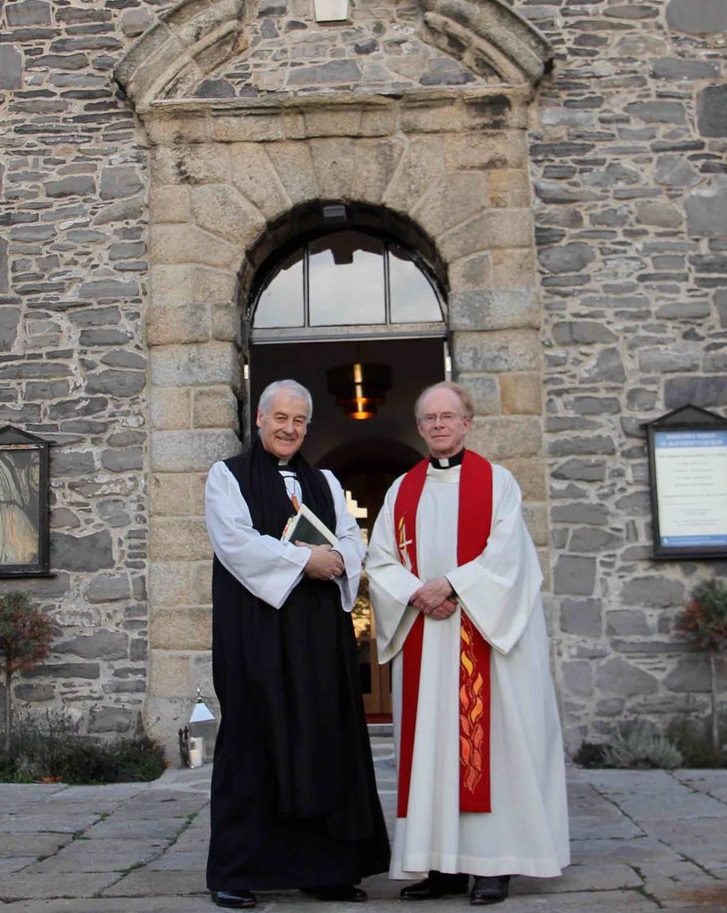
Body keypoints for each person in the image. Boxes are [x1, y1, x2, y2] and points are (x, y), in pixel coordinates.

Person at [364, 382, 570, 906]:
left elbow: (510, 557)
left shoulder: (496, 483)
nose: (438, 424)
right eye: (429, 417)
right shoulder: (401, 491)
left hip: (482, 635)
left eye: (447, 416)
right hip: (428, 640)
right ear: (421, 427)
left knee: (491, 748)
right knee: (431, 749)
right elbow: (380, 559)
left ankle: (492, 864)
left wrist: (451, 585)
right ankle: (442, 866)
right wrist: (418, 593)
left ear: (467, 422)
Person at [204, 379, 392, 909]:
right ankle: (238, 872)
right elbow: (234, 542)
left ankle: (326, 868)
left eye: (300, 421)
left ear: (307, 426)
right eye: (280, 417)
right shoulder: (227, 476)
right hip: (255, 632)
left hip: (316, 636)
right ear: (260, 418)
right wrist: (304, 561)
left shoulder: (327, 481)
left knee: (322, 738)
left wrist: (339, 561)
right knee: (252, 740)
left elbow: (351, 538)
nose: (289, 428)